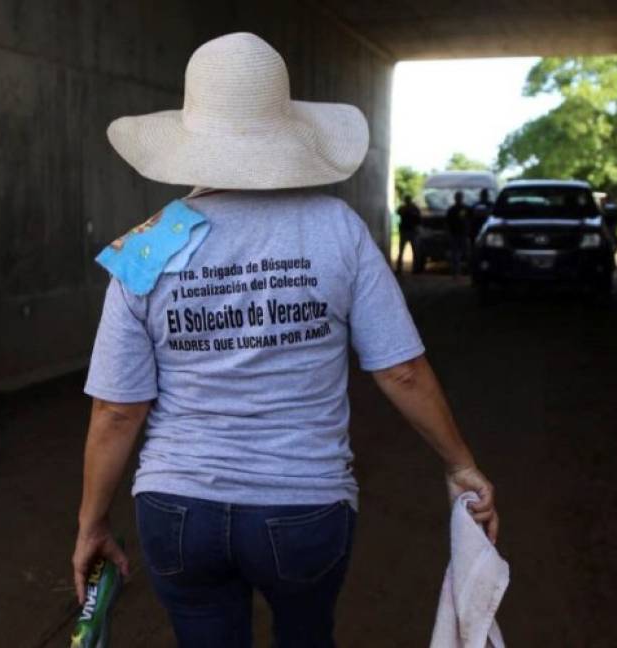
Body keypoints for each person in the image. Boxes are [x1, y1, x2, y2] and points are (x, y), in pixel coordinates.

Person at [72, 33, 497, 648]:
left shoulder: (147, 244)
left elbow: (117, 409)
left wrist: (91, 523)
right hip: (304, 508)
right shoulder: (337, 229)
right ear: (285, 131)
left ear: (191, 134)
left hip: (177, 509)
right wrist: (460, 464)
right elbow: (401, 371)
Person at [445, 191, 470, 277]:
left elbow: (470, 220)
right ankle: (457, 272)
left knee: (462, 254)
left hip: (462, 234)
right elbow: (448, 223)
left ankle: (462, 272)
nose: (459, 198)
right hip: (456, 234)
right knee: (457, 254)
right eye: (458, 197)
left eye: (459, 197)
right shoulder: (453, 209)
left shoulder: (465, 208)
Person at [395, 194, 421, 272]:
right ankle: (415, 269)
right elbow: (398, 212)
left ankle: (414, 269)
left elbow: (418, 219)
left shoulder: (411, 208)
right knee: (411, 251)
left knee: (410, 251)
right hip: (408, 231)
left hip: (408, 231)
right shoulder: (410, 208)